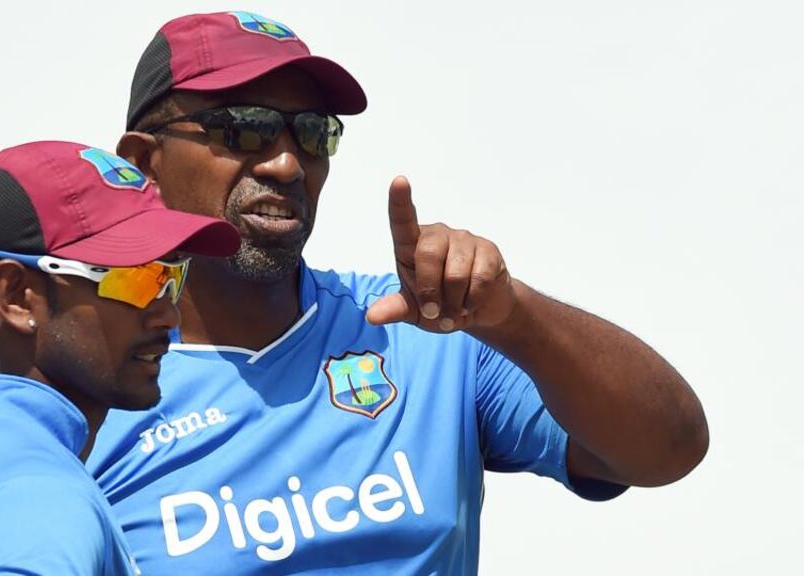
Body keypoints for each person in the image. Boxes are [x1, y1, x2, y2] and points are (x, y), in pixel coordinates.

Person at [86, 11, 710, 574]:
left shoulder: (422, 329)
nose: (286, 164)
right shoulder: (93, 389)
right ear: (144, 163)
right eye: (245, 130)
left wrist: (515, 318)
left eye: (311, 134)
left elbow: (668, 450)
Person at [0, 140, 239, 575]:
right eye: (134, 280)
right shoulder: (33, 495)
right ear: (16, 297)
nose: (168, 312)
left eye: (171, 277)